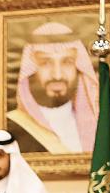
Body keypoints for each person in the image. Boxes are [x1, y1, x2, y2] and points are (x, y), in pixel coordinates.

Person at [8, 22, 99, 154]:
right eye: (45, 63)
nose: (57, 75)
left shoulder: (98, 125)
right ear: (31, 70)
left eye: (67, 62)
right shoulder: (12, 126)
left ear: (78, 68)